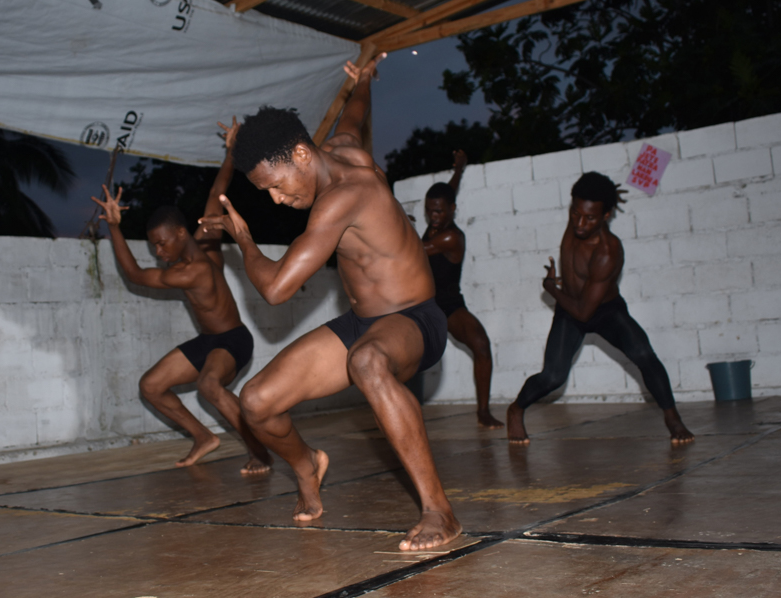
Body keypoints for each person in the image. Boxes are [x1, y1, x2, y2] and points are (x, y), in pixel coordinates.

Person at [200, 53, 462, 552]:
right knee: (256, 402)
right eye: (265, 194)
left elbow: (276, 289)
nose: (276, 200)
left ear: (300, 155)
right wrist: (362, 81)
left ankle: (440, 512)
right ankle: (307, 465)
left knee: (367, 361)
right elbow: (354, 118)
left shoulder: (343, 196)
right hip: (364, 321)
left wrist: (244, 240)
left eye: (274, 187)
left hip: (414, 320)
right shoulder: (339, 148)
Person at [91, 119, 272, 473]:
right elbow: (217, 192)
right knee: (152, 385)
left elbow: (134, 275)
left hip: (233, 340)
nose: (158, 252)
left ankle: (260, 451)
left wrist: (114, 228)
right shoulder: (205, 238)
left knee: (208, 385)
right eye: (154, 247)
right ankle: (204, 437)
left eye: (161, 243)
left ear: (178, 232)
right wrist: (231, 153)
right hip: (209, 340)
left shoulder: (191, 271)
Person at [507, 172, 695, 445]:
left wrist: (551, 288)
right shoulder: (579, 218)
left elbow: (585, 313)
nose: (580, 223)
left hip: (604, 312)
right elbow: (575, 311)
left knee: (644, 354)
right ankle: (516, 409)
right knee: (552, 377)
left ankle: (672, 418)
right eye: (575, 213)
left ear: (607, 215)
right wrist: (606, 194)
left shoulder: (608, 251)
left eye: (590, 218)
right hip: (568, 309)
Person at [416, 150, 503, 428]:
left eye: (439, 211)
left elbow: (414, 250)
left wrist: (398, 226)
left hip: (450, 305)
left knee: (482, 345)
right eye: (429, 211)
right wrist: (459, 170)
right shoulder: (440, 213)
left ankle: (483, 411)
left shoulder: (451, 236)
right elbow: (447, 193)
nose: (433, 216)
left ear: (453, 209)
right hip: (425, 305)